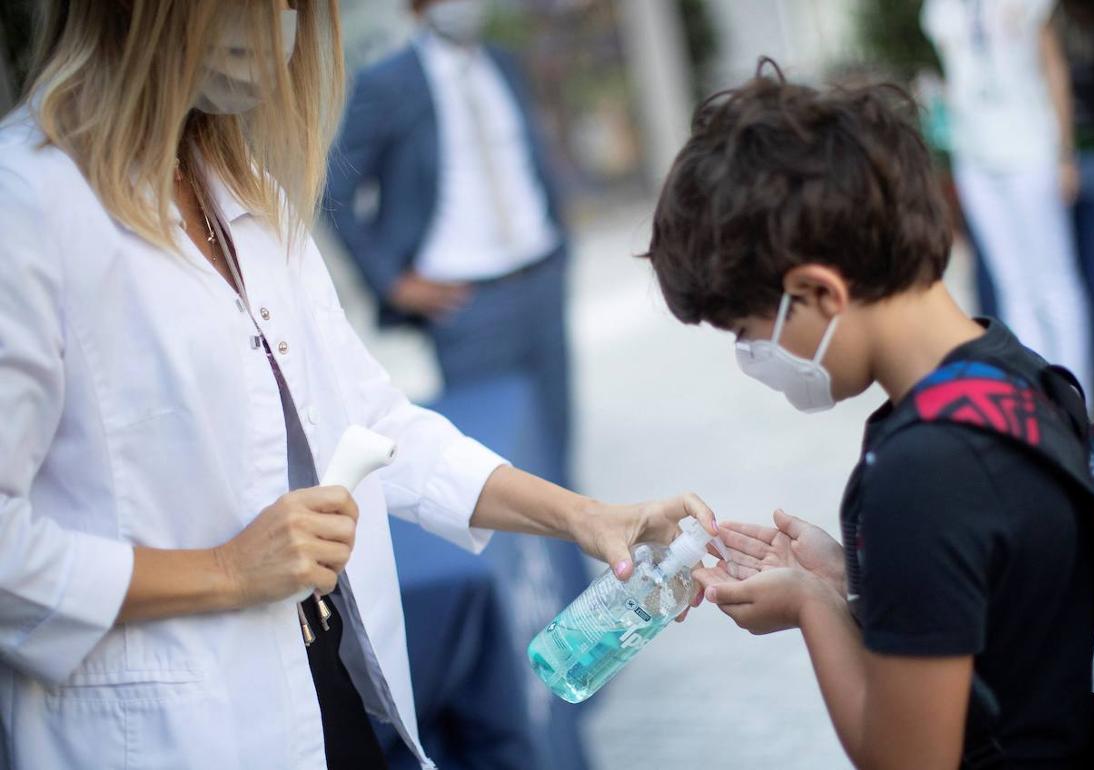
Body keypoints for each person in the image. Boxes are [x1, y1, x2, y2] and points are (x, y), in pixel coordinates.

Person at [0, 3, 716, 769]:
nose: (282, 23)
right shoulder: (27, 209)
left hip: (328, 689)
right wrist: (224, 571)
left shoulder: (244, 192)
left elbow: (375, 425)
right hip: (165, 731)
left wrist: (585, 516)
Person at [643, 63, 1094, 768]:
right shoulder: (1013, 371)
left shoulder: (924, 474)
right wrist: (855, 582)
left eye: (746, 330)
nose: (752, 355)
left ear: (819, 292)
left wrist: (811, 608)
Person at [325, 0, 574, 487]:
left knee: (559, 453)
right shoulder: (388, 82)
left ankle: (586, 564)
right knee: (500, 472)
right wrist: (391, 282)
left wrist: (561, 241)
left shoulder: (503, 63)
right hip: (466, 307)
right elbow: (334, 191)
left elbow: (531, 157)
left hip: (540, 278)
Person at [922, 0, 1094, 398]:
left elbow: (1054, 68)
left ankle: (1076, 399)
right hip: (975, 153)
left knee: (1054, 280)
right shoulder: (941, 7)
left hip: (1032, 144)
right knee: (1012, 283)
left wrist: (1066, 152)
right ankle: (1038, 395)